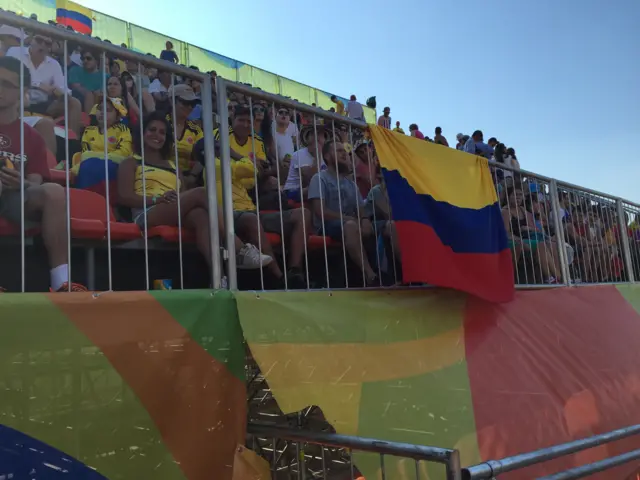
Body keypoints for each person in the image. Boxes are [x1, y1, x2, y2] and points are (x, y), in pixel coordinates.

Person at [117, 111, 271, 273]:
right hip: (146, 212)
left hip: (172, 209)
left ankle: (220, 277)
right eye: (152, 130)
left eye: (162, 132)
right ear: (142, 133)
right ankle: (239, 248)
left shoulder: (173, 165)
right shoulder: (131, 162)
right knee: (201, 193)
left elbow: (182, 195)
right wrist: (157, 199)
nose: (157, 135)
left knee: (200, 216)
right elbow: (124, 197)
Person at [0, 57, 86, 292]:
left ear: (22, 91)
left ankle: (62, 283)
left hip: (14, 196)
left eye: (8, 85)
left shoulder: (32, 136)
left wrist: (21, 182)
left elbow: (36, 181)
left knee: (55, 192)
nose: (1, 89)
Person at [308, 140, 378, 285]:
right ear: (327, 157)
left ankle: (382, 273)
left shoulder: (351, 184)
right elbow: (321, 212)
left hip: (348, 224)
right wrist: (350, 219)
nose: (345, 154)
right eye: (339, 151)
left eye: (345, 151)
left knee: (373, 226)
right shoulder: (319, 178)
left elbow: (361, 211)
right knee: (351, 225)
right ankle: (370, 275)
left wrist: (364, 221)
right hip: (325, 227)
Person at [7, 34, 82, 136]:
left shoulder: (54, 64)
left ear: (50, 47)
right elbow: (8, 76)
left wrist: (58, 91)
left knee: (74, 102)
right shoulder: (15, 52)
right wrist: (38, 85)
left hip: (44, 105)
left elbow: (63, 89)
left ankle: (71, 142)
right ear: (31, 40)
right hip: (19, 99)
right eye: (39, 40)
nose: (42, 45)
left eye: (47, 43)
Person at [283, 121, 327, 201]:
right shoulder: (299, 154)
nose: (317, 137)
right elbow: (310, 179)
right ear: (307, 137)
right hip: (293, 191)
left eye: (320, 134)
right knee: (316, 189)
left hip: (313, 190)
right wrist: (318, 156)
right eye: (313, 133)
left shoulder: (326, 156)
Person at [166, 84, 203, 173]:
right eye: (186, 102)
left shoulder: (196, 130)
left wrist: (192, 177)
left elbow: (203, 157)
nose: (190, 107)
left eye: (193, 104)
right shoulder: (160, 124)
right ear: (171, 100)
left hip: (188, 177)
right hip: (162, 173)